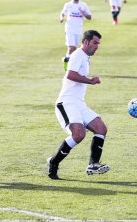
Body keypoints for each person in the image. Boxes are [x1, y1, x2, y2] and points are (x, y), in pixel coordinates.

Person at [47, 30, 110, 180]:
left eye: (98, 44)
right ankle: (53, 163)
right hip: (67, 101)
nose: (97, 46)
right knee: (78, 134)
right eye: (95, 43)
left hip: (79, 103)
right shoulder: (77, 54)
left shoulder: (86, 57)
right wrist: (90, 81)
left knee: (101, 128)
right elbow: (70, 74)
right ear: (86, 42)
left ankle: (93, 164)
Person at [60, 0, 92, 70]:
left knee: (74, 50)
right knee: (71, 47)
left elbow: (89, 17)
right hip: (69, 29)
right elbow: (62, 13)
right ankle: (68, 66)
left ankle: (66, 60)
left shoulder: (83, 5)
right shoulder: (68, 5)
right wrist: (61, 18)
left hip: (78, 30)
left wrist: (83, 12)